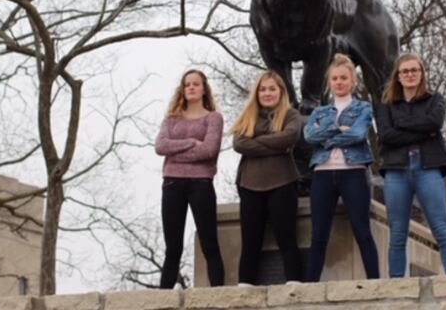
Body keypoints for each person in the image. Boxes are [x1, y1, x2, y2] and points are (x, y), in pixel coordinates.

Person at [375, 52, 446, 277]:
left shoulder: (435, 100)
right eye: (405, 71)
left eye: (415, 70)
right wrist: (423, 132)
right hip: (396, 170)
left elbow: (435, 122)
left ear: (422, 74)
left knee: (441, 228)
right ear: (398, 77)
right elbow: (385, 136)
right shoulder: (386, 106)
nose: (410, 74)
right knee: (397, 233)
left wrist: (401, 126)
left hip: (428, 168)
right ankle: (396, 284)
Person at [303, 53, 380, 281]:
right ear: (329, 82)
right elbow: (309, 135)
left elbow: (358, 134)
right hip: (323, 174)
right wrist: (340, 130)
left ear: (352, 81)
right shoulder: (319, 111)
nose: (339, 82)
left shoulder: (363, 108)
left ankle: (375, 282)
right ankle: (310, 285)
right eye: (335, 78)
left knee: (362, 230)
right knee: (318, 234)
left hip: (353, 172)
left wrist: (326, 138)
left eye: (344, 78)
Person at [231, 71, 303, 285]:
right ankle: (245, 286)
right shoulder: (247, 116)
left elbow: (289, 137)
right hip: (249, 184)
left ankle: (294, 283)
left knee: (287, 238)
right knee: (250, 242)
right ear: (257, 93)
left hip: (283, 182)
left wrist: (257, 140)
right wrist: (275, 143)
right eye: (263, 89)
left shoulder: (291, 115)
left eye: (272, 89)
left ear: (281, 92)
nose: (267, 93)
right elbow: (239, 143)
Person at [155, 69, 225, 288]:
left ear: (204, 89)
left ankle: (218, 296)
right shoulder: (171, 119)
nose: (191, 88)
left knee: (209, 243)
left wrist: (176, 152)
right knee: (172, 248)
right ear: (182, 90)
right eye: (187, 85)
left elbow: (209, 151)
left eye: (196, 84)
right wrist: (192, 142)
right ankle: (163, 299)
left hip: (201, 184)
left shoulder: (214, 118)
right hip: (172, 183)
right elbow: (160, 146)